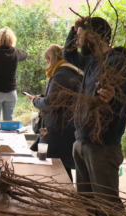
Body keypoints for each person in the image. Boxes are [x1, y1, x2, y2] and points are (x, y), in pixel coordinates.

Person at [64, 17, 126, 213]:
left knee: (107, 208)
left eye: (80, 36)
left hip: (102, 146)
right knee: (87, 207)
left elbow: (125, 105)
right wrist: (74, 28)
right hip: (83, 141)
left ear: (93, 36)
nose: (76, 41)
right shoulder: (92, 61)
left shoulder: (117, 62)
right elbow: (68, 55)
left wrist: (112, 99)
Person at [27, 45, 83, 182]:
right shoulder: (71, 72)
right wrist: (42, 96)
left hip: (58, 128)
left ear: (52, 59)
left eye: (47, 61)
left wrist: (36, 101)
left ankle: (61, 197)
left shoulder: (61, 74)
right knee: (63, 166)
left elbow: (51, 102)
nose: (47, 65)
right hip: (66, 125)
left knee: (55, 166)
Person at [0, 27, 27, 121]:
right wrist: (13, 47)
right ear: (12, 39)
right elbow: (25, 55)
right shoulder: (16, 52)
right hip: (11, 91)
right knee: (8, 122)